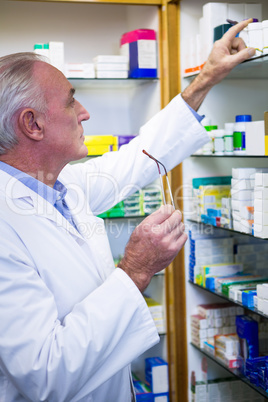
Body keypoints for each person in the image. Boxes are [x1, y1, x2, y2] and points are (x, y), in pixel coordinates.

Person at [0, 19, 255, 402]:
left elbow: (138, 157)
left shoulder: (60, 188)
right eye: (71, 100)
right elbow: (45, 374)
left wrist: (206, 77)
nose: (84, 113)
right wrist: (135, 270)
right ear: (32, 124)